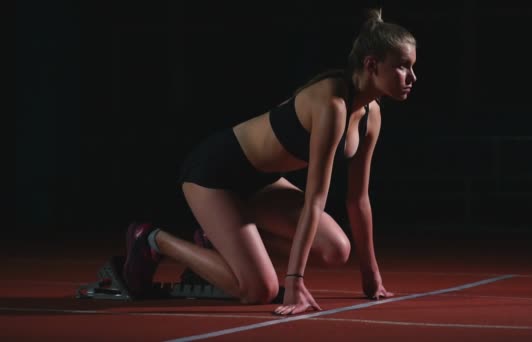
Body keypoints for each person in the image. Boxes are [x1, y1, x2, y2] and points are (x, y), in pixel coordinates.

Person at [122, 8, 417, 316]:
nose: (412, 77)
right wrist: (293, 283)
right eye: (403, 67)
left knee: (336, 250)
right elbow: (316, 199)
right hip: (213, 175)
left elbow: (358, 199)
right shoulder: (332, 104)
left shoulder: (372, 115)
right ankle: (154, 240)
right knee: (258, 291)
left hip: (260, 183)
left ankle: (219, 241)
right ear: (371, 65)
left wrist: (371, 276)